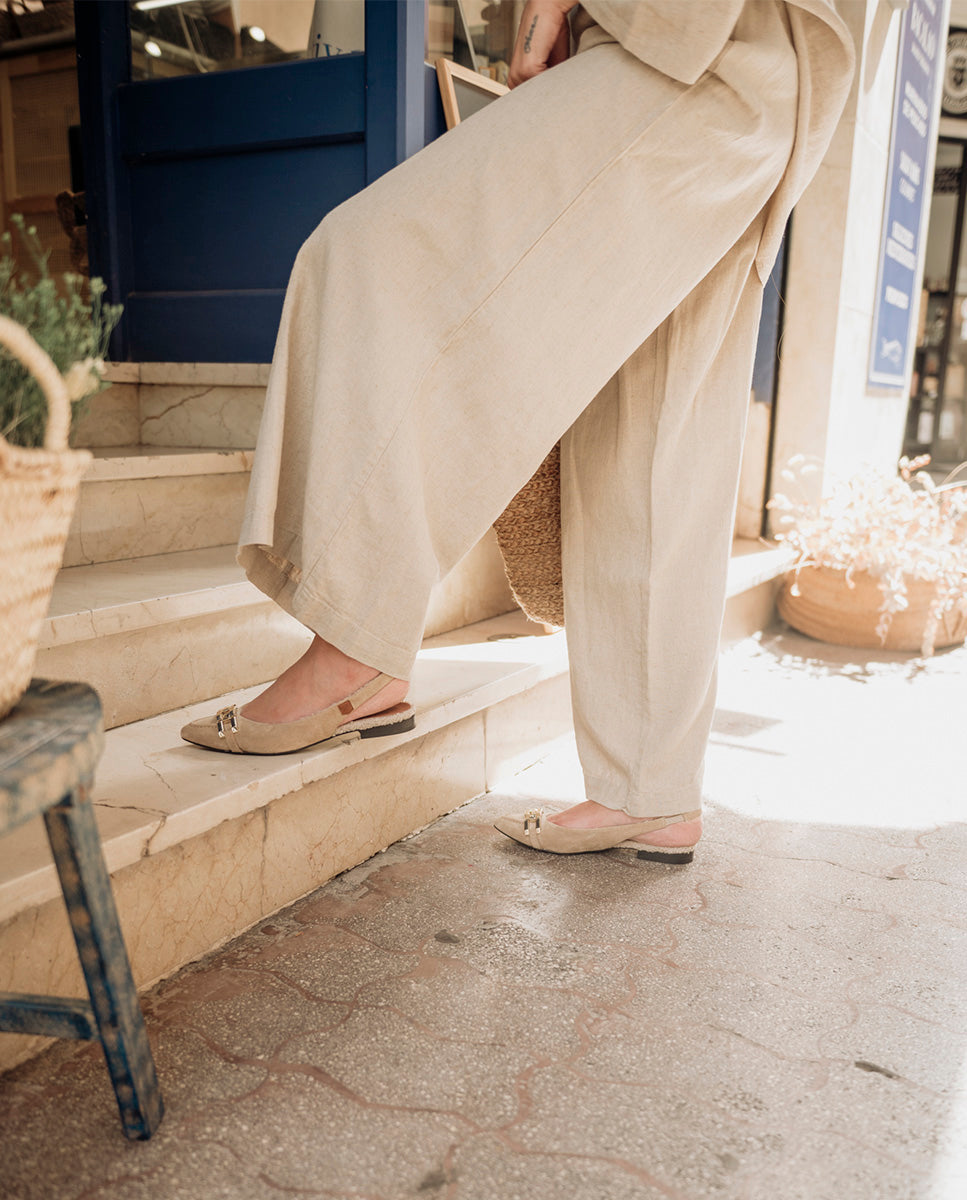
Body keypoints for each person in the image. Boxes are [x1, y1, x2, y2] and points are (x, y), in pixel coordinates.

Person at [181, 0, 854, 863]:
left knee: (368, 255)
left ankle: (355, 652)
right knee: (654, 417)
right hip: (775, 73)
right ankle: (649, 788)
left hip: (692, 40)